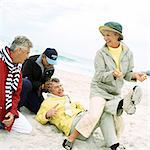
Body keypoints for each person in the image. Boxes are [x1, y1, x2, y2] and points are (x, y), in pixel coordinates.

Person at [62, 22, 147, 150]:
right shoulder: (101, 53)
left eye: (108, 35)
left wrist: (136, 76)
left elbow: (127, 74)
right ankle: (71, 138)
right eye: (104, 35)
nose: (105, 37)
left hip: (114, 92)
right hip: (99, 89)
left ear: (117, 35)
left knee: (117, 121)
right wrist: (112, 74)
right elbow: (99, 75)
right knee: (94, 114)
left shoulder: (128, 53)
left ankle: (114, 143)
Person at [0, 35, 33, 133]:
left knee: (27, 129)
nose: (27, 57)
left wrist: (12, 112)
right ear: (19, 50)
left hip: (6, 108)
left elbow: (16, 94)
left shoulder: (17, 69)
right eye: (27, 53)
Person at [18, 48, 58, 114]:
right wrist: (41, 86)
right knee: (26, 83)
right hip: (25, 88)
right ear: (43, 57)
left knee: (41, 109)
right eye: (49, 62)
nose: (51, 65)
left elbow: (45, 83)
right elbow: (24, 79)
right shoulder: (31, 61)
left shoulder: (51, 69)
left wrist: (48, 87)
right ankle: (19, 104)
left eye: (53, 63)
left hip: (36, 91)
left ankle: (26, 102)